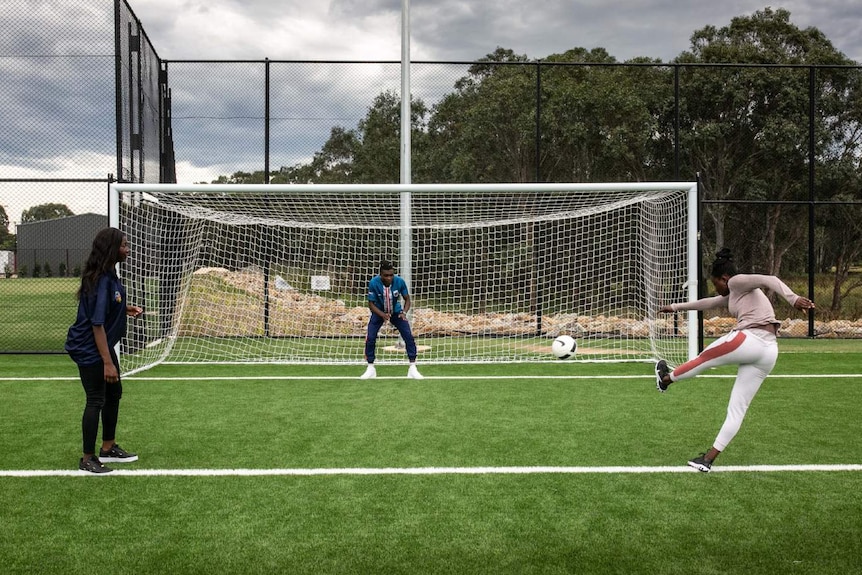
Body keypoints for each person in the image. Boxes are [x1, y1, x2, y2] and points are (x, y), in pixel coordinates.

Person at [654, 248, 815, 472]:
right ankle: (707, 459)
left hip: (750, 339)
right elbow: (707, 303)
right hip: (768, 351)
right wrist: (675, 307)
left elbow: (771, 279)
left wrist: (793, 298)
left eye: (716, 283)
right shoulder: (735, 293)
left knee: (703, 359)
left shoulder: (737, 281)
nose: (716, 288)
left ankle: (665, 380)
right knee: (737, 408)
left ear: (725, 279)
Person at [65, 227, 143, 474]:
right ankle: (87, 458)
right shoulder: (100, 280)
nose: (127, 249)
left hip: (103, 347)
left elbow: (108, 306)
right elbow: (96, 324)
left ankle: (108, 447)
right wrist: (107, 362)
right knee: (96, 399)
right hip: (91, 349)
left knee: (114, 393)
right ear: (111, 249)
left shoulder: (109, 275)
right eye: (124, 245)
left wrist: (125, 309)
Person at [361, 260, 423, 379]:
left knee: (408, 335)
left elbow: (407, 299)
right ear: (381, 275)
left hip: (396, 312)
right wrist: (382, 315)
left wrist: (404, 312)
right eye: (386, 275)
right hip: (379, 312)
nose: (389, 278)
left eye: (391, 275)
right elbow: (371, 304)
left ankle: (413, 367)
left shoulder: (399, 282)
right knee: (371, 337)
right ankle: (370, 367)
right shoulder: (374, 283)